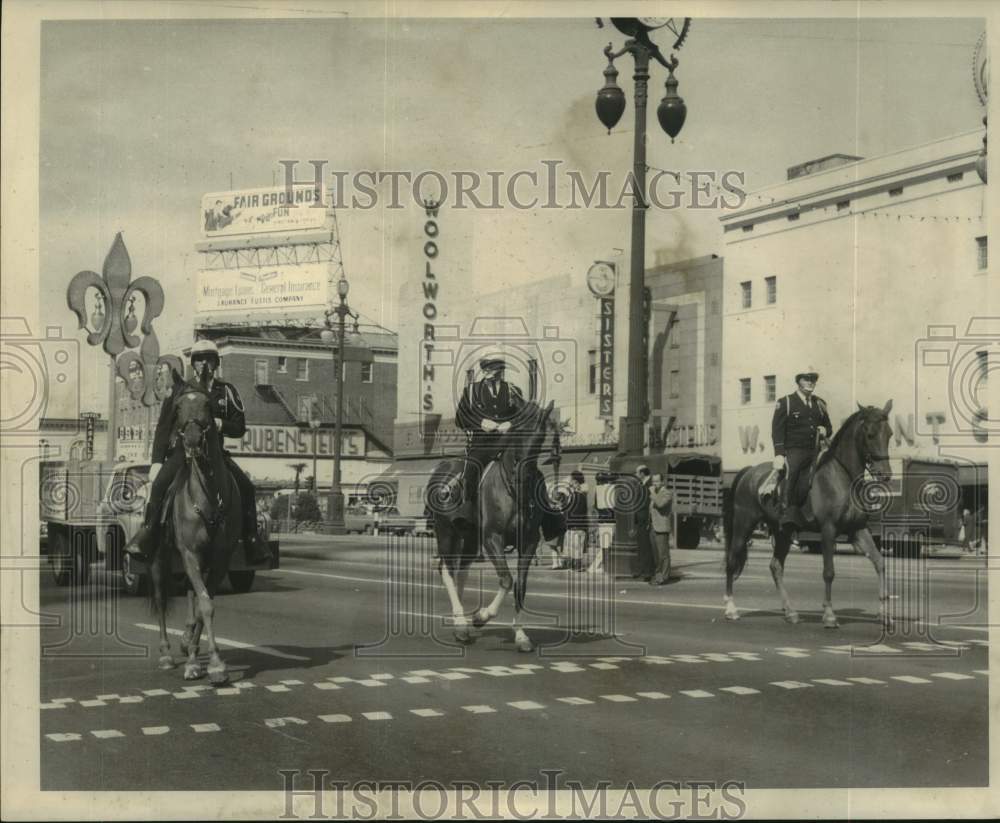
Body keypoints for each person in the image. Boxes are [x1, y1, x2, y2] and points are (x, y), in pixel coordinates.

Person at [126, 339, 272, 565]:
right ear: (193, 364)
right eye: (200, 359)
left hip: (215, 455)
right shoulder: (179, 389)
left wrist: (221, 424)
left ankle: (252, 539)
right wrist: (157, 461)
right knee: (159, 485)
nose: (205, 364)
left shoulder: (227, 391)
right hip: (182, 454)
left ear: (216, 363)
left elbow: (240, 426)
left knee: (246, 487)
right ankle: (147, 533)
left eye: (209, 359)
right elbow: (164, 427)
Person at [771, 367, 833, 531]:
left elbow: (829, 426)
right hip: (795, 450)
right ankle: (786, 513)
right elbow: (777, 430)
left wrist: (825, 430)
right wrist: (779, 454)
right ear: (798, 381)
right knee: (792, 472)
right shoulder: (786, 402)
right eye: (806, 379)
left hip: (816, 451)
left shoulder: (819, 404)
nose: (810, 382)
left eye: (813, 379)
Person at [649, 473, 674, 585]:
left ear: (663, 482)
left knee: (663, 554)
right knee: (656, 554)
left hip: (662, 527)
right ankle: (658, 576)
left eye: (657, 481)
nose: (655, 484)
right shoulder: (656, 493)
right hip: (653, 527)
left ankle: (664, 577)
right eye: (653, 481)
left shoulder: (667, 493)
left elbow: (660, 504)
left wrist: (652, 492)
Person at [632, 465, 655, 581]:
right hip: (641, 520)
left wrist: (645, 520)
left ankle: (648, 572)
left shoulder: (649, 485)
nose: (636, 475)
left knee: (646, 546)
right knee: (642, 545)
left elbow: (647, 504)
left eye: (637, 473)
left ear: (642, 473)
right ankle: (643, 570)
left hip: (645, 520)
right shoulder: (643, 484)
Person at [564, 471, 590, 572]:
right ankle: (575, 566)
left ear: (575, 482)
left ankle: (576, 566)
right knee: (575, 548)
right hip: (577, 526)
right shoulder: (579, 495)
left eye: (571, 481)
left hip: (575, 526)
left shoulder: (577, 496)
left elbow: (574, 512)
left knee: (575, 548)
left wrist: (568, 521)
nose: (569, 483)